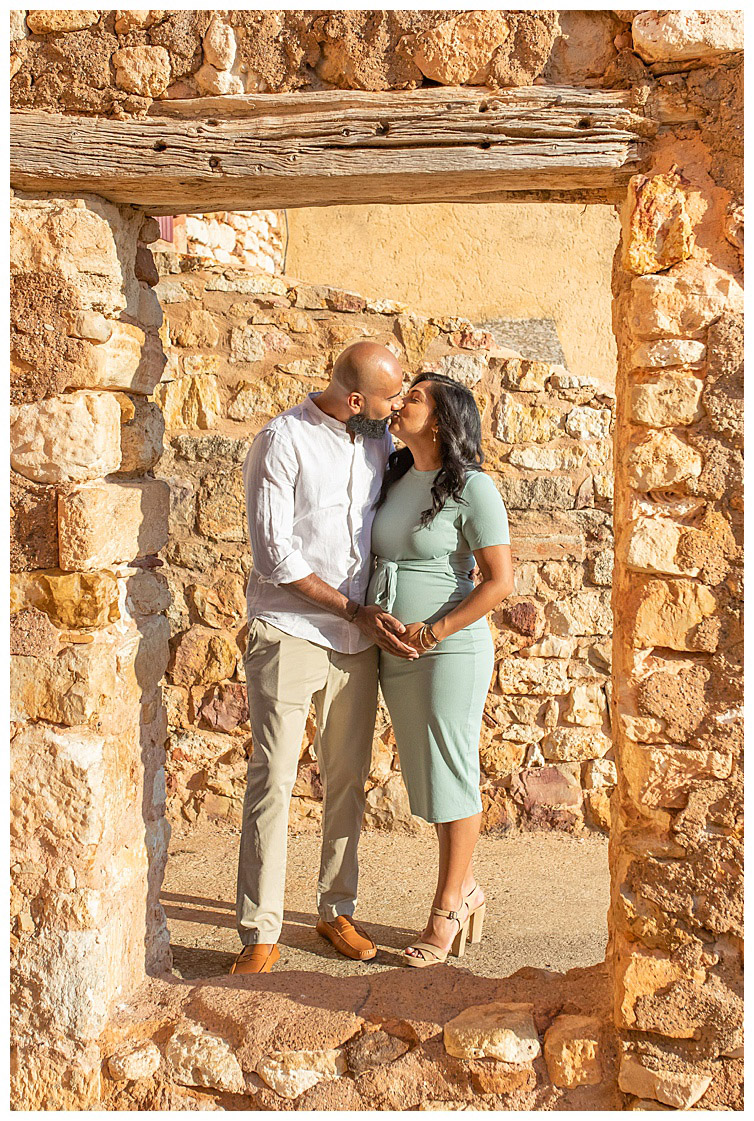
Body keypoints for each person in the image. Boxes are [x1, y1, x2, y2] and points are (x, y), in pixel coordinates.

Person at [231, 341, 418, 975]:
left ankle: (335, 908)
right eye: (393, 396)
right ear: (357, 398)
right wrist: (351, 609)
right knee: (274, 781)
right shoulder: (280, 441)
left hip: (356, 641)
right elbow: (274, 556)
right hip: (290, 628)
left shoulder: (377, 442)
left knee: (346, 783)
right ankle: (260, 930)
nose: (400, 407)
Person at [366, 372, 514, 967]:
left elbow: (500, 582)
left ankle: (447, 906)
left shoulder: (474, 488)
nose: (401, 402)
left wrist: (434, 632)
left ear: (445, 417)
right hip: (394, 648)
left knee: (453, 771)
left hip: (449, 649)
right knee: (428, 777)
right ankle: (468, 888)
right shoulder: (395, 473)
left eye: (415, 396)